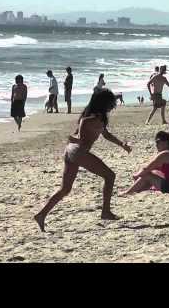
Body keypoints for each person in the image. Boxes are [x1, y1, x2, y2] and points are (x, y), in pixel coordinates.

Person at [34, 89, 132, 232]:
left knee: (65, 189)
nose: (113, 105)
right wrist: (77, 136)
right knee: (110, 176)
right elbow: (84, 133)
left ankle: (41, 215)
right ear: (104, 103)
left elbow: (106, 134)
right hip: (78, 152)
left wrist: (122, 145)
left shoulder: (97, 116)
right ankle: (105, 212)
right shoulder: (92, 117)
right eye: (111, 103)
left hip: (70, 151)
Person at [121, 131, 169, 195]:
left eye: (158, 142)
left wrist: (136, 175)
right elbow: (153, 166)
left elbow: (146, 169)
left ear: (166, 142)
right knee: (153, 172)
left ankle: (127, 192)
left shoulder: (165, 154)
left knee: (146, 175)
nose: (156, 145)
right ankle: (137, 191)